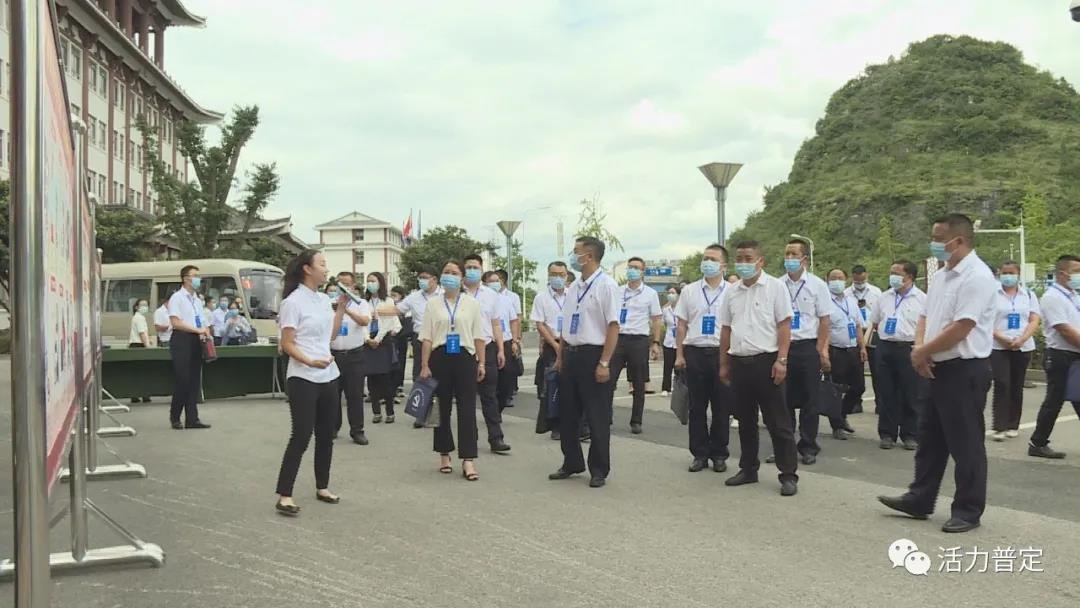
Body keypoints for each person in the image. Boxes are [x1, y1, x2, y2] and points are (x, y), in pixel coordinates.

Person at [879, 213, 996, 533]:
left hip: (964, 369)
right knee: (930, 438)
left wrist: (923, 352)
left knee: (965, 442)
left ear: (957, 241)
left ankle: (968, 509)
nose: (934, 244)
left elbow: (963, 326)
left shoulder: (978, 276)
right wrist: (921, 350)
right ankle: (920, 498)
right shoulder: (943, 274)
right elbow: (924, 316)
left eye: (938, 237)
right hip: (934, 367)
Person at [719, 240, 799, 496]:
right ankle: (748, 469)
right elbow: (726, 329)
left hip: (768, 361)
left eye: (748, 258)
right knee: (745, 421)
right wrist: (724, 363)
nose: (743, 263)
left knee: (778, 421)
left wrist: (782, 360)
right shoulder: (731, 292)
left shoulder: (775, 288)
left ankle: (788, 474)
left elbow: (784, 326)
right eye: (739, 258)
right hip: (739, 362)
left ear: (760, 261)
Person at [274, 249, 348, 516]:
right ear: (307, 269)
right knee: (302, 435)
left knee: (326, 434)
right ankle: (285, 494)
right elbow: (287, 344)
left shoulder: (321, 299)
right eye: (322, 264)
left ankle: (322, 486)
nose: (326, 270)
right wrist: (308, 361)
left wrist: (340, 309)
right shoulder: (293, 302)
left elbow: (329, 336)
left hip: (328, 373)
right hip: (303, 376)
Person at [549, 236, 620, 488]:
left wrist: (604, 362)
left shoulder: (606, 285)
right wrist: (560, 356)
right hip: (571, 354)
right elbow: (566, 326)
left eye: (576, 252)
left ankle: (599, 469)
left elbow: (613, 326)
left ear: (588, 257)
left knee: (597, 414)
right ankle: (572, 462)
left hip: (594, 354)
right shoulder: (574, 287)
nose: (573, 256)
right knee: (568, 414)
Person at [420, 260, 485, 481]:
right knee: (442, 407)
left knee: (467, 409)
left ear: (462, 277)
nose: (450, 276)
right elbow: (427, 337)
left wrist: (482, 362)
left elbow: (479, 336)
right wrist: (424, 364)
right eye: (446, 272)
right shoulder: (432, 304)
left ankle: (468, 459)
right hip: (440, 357)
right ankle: (444, 453)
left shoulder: (472, 304)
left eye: (454, 272)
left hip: (465, 357)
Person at [674, 244, 732, 473]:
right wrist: (679, 354)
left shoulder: (733, 291)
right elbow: (681, 324)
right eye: (705, 258)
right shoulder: (689, 291)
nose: (707, 262)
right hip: (695, 352)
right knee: (696, 407)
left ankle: (719, 453)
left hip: (721, 353)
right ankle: (699, 454)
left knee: (722, 407)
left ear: (723, 265)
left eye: (712, 259)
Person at [775, 238, 831, 465]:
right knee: (782, 399)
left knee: (810, 400)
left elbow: (825, 320)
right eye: (786, 254)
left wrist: (820, 349)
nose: (789, 259)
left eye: (793, 255)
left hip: (807, 347)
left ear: (804, 259)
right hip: (783, 348)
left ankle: (808, 446)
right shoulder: (777, 285)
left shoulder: (818, 285)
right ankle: (785, 446)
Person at [869, 261, 927, 450]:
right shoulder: (884, 297)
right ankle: (887, 433)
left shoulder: (922, 299)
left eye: (896, 273)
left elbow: (927, 327)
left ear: (909, 276)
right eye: (891, 272)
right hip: (886, 347)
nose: (892, 276)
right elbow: (876, 322)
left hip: (909, 348)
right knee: (886, 392)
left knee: (911, 393)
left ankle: (910, 434)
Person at [1028, 255, 1080, 458]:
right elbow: (1064, 329)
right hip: (1060, 356)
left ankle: (1038, 442)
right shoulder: (1052, 297)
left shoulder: (1074, 295)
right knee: (1054, 400)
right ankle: (1037, 443)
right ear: (1062, 273)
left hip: (1075, 355)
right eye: (1076, 270)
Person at [462, 254, 511, 454]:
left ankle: (496, 437)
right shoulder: (456, 293)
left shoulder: (491, 295)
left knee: (489, 395)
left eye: (475, 267)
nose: (472, 270)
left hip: (489, 348)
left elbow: (496, 323)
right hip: (464, 349)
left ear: (481, 270)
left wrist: (501, 349)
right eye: (468, 267)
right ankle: (469, 439)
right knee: (466, 397)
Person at [608, 257, 662, 434]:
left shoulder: (650, 294)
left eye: (636, 268)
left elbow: (656, 319)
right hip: (618, 339)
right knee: (609, 379)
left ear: (643, 271)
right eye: (630, 267)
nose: (632, 270)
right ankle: (606, 415)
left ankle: (636, 420)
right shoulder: (617, 291)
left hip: (638, 340)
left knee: (639, 383)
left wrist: (655, 342)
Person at [990, 261, 1040, 442]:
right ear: (999, 274)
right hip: (998, 345)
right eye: (1004, 272)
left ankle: (1013, 424)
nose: (1008, 276)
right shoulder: (992, 295)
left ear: (1018, 274)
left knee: (1016, 385)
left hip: (1022, 345)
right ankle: (999, 426)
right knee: (1002, 383)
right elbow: (985, 321)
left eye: (1011, 272)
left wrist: (1022, 339)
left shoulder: (1028, 294)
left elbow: (1034, 319)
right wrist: (1002, 338)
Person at [328, 272, 372, 445]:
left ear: (353, 286)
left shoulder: (361, 303)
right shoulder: (329, 303)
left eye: (347, 284)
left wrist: (345, 309)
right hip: (334, 355)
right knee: (333, 394)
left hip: (355, 355)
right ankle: (332, 427)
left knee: (354, 394)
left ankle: (357, 430)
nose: (343, 287)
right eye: (340, 283)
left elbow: (364, 321)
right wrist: (338, 307)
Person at [167, 266, 212, 430]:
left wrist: (205, 331)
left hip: (196, 340)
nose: (198, 279)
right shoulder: (177, 298)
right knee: (183, 380)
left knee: (194, 381)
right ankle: (175, 417)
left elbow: (201, 320)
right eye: (195, 276)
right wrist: (197, 330)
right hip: (181, 339)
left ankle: (192, 418)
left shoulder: (197, 300)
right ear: (185, 278)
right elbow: (176, 322)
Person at [824, 268, 866, 439]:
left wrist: (862, 347)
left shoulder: (851, 301)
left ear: (846, 280)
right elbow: (824, 328)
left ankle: (842, 414)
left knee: (858, 387)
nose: (837, 281)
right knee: (836, 389)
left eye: (840, 278)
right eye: (833, 278)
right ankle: (837, 426)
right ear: (827, 280)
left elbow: (857, 325)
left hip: (853, 349)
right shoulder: (825, 301)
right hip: (835, 350)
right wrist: (824, 352)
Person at [531, 261, 570, 440]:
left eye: (561, 274)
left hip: (570, 344)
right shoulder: (541, 297)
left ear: (567, 275)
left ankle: (571, 423)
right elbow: (539, 324)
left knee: (570, 385)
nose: (558, 278)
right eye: (554, 274)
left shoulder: (573, 295)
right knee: (553, 385)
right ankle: (554, 424)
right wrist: (554, 345)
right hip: (551, 344)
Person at [362, 272, 400, 424]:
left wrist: (377, 339)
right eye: (368, 281)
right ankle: (376, 412)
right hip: (368, 341)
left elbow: (388, 323)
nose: (370, 284)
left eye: (373, 281)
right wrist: (368, 339)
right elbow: (362, 323)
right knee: (372, 380)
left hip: (383, 342)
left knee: (385, 379)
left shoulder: (388, 301)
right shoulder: (364, 302)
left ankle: (389, 412)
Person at [846, 265, 883, 414]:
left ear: (866, 276)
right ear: (852, 277)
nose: (859, 283)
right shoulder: (846, 293)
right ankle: (855, 402)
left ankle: (880, 403)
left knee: (877, 370)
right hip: (855, 332)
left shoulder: (876, 292)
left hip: (872, 331)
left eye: (862, 280)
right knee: (855, 370)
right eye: (856, 280)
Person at [397, 266, 442, 384]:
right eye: (420, 278)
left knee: (441, 370)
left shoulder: (444, 295)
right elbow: (398, 310)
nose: (422, 280)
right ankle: (423, 399)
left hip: (441, 338)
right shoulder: (414, 297)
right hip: (420, 338)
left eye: (425, 278)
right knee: (419, 370)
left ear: (434, 279)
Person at [485, 270, 520, 414]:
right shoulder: (481, 300)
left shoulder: (506, 300)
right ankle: (492, 412)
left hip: (505, 342)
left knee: (506, 381)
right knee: (491, 381)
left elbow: (514, 321)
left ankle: (499, 407)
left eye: (497, 280)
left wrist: (515, 341)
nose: (495, 283)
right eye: (491, 281)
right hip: (489, 343)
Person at [496, 268, 524, 407]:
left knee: (509, 369)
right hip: (493, 339)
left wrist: (516, 338)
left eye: (498, 280)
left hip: (508, 337)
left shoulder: (511, 297)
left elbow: (516, 318)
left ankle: (509, 393)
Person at [128, 299, 153, 404]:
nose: (145, 307)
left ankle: (136, 395)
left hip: (136, 345)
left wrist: (148, 340)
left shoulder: (138, 317)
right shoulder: (139, 318)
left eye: (146, 305)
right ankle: (143, 395)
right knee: (142, 371)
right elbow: (142, 333)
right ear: (136, 307)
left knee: (137, 372)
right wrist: (147, 345)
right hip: (138, 345)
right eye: (142, 305)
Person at [390, 285, 412, 399]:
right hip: (390, 339)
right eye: (391, 295)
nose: (393, 297)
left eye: (395, 295)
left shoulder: (406, 307)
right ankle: (391, 386)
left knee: (401, 362)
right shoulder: (389, 306)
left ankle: (399, 385)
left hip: (401, 338)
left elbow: (408, 324)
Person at [660, 285, 679, 396]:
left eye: (673, 293)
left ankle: (678, 387)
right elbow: (662, 324)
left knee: (679, 368)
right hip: (669, 340)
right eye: (669, 293)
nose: (671, 295)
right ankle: (665, 388)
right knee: (667, 365)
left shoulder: (682, 308)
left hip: (680, 341)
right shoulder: (665, 310)